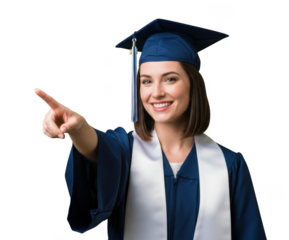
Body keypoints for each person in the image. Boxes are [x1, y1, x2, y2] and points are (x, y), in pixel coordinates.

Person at [35, 18, 267, 240]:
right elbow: (101, 150)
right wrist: (79, 128)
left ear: (192, 85)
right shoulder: (126, 151)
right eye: (146, 81)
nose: (156, 93)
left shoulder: (229, 165)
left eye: (170, 79)